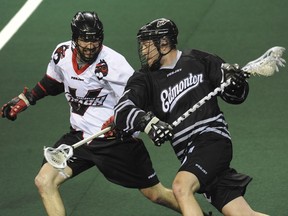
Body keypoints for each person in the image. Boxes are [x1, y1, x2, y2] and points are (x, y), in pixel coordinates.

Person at [0, 12, 185, 216]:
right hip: (80, 136)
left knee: (155, 194)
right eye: (84, 40)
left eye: (95, 40)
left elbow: (139, 96)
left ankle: (195, 213)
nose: (90, 46)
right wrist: (28, 98)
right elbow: (54, 81)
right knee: (44, 181)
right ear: (74, 38)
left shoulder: (113, 63)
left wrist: (119, 120)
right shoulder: (61, 54)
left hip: (115, 140)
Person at [113, 18, 269, 216]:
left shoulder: (199, 60)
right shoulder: (144, 79)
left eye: (146, 45)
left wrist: (235, 83)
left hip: (212, 140)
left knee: (181, 187)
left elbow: (236, 96)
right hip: (189, 154)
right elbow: (122, 110)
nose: (143, 51)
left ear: (164, 43)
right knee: (243, 214)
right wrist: (148, 123)